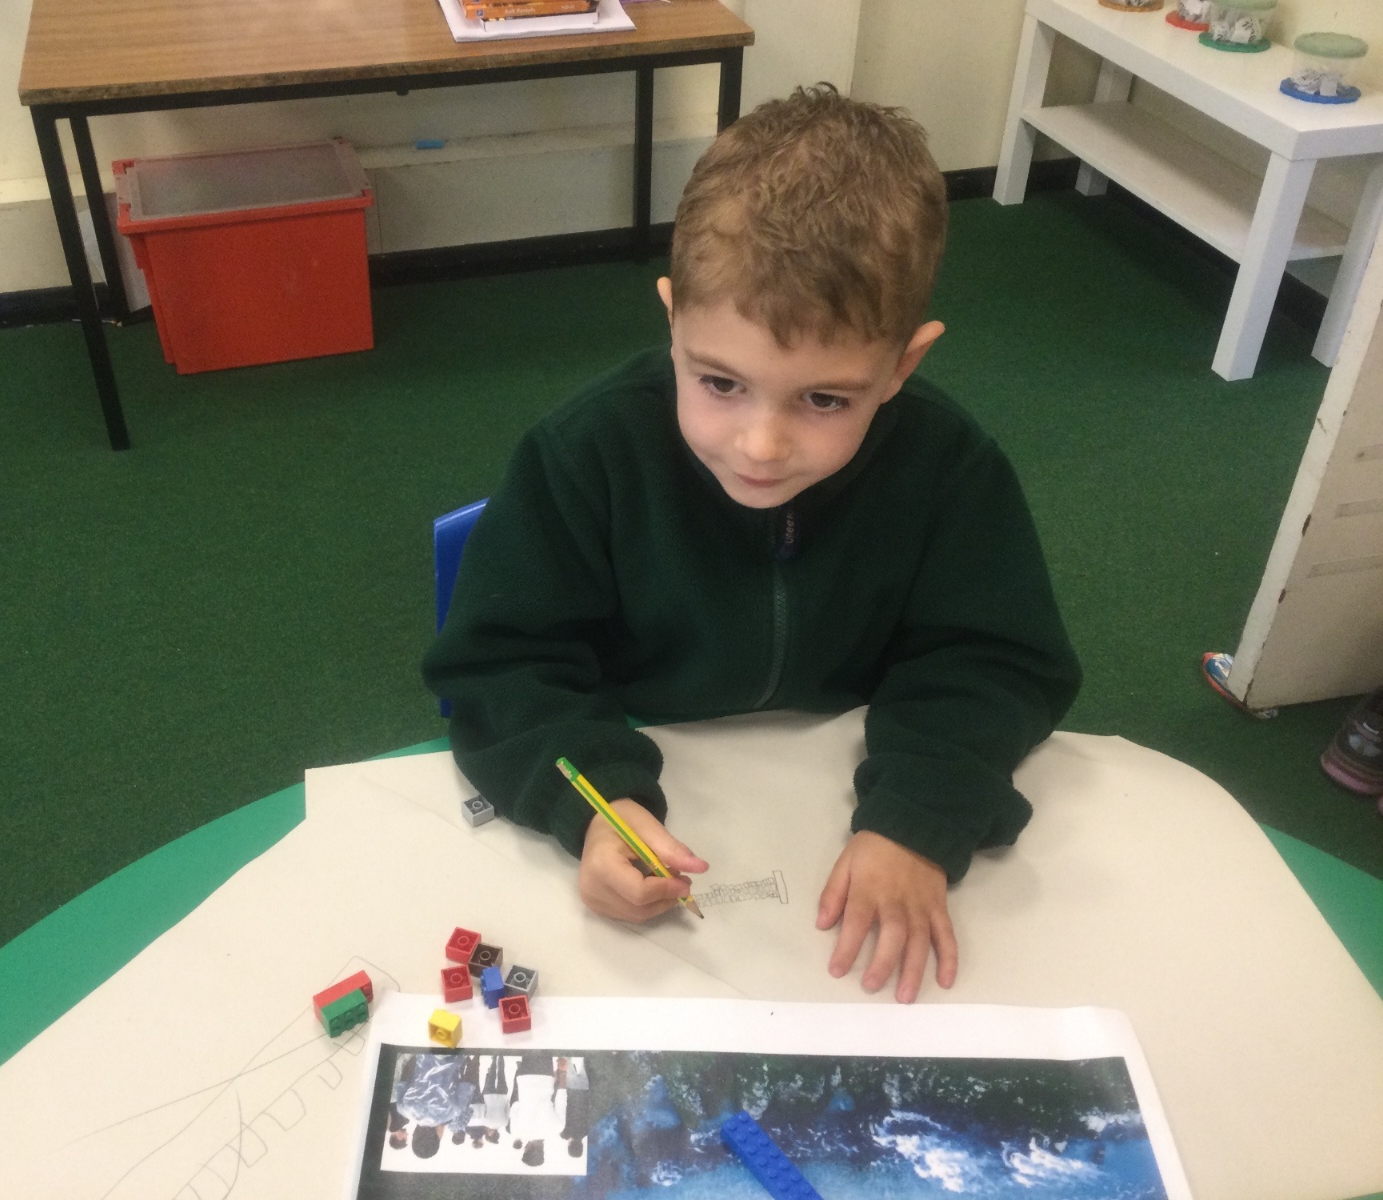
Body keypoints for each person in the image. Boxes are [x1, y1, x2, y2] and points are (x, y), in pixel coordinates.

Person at [422, 84, 1081, 1004]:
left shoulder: (950, 468)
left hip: (832, 799)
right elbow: (503, 667)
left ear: (904, 364)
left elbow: (995, 662)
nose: (762, 446)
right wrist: (597, 807)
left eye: (825, 399)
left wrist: (920, 814)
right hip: (661, 789)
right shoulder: (585, 455)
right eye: (720, 383)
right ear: (672, 321)